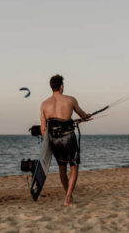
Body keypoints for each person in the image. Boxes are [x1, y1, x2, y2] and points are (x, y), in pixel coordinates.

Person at [40, 74, 90, 206]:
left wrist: (48, 144)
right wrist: (86, 117)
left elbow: (43, 129)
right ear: (61, 87)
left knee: (62, 169)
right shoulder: (70, 100)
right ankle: (68, 197)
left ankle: (69, 196)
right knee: (74, 167)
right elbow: (82, 114)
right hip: (68, 138)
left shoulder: (44, 104)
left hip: (55, 140)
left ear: (52, 87)